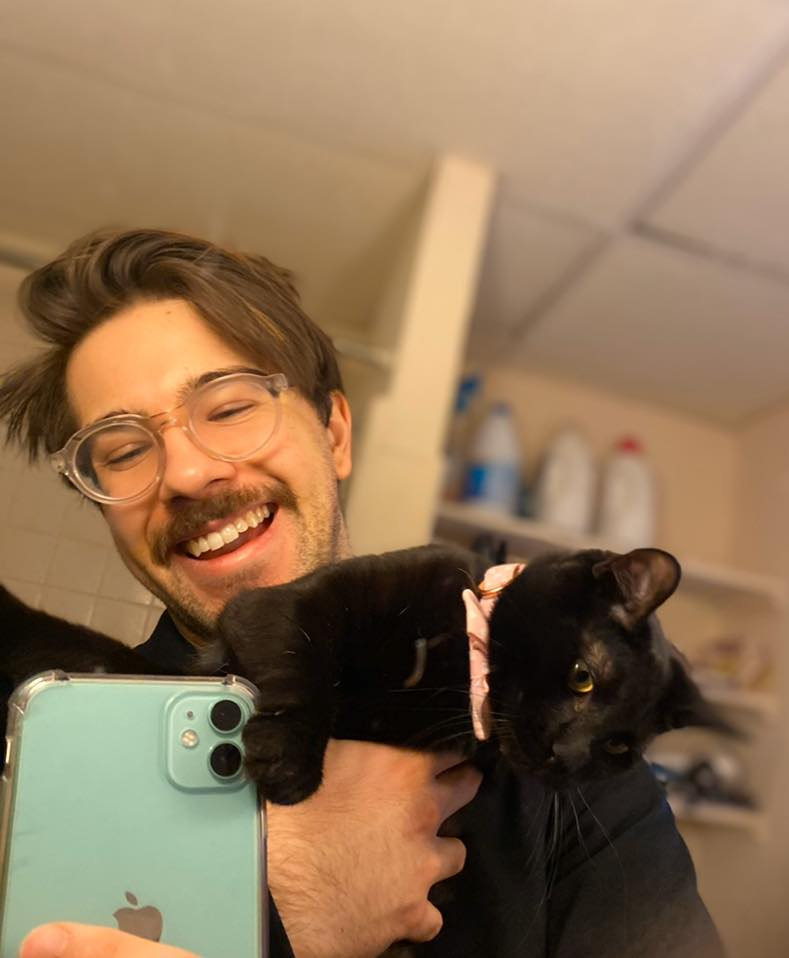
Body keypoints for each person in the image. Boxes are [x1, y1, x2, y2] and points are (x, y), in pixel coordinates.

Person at [0, 228, 723, 958]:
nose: (186, 474)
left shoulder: (576, 780)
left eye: (229, 408)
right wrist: (299, 913)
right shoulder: (45, 746)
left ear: (336, 434)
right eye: (124, 451)